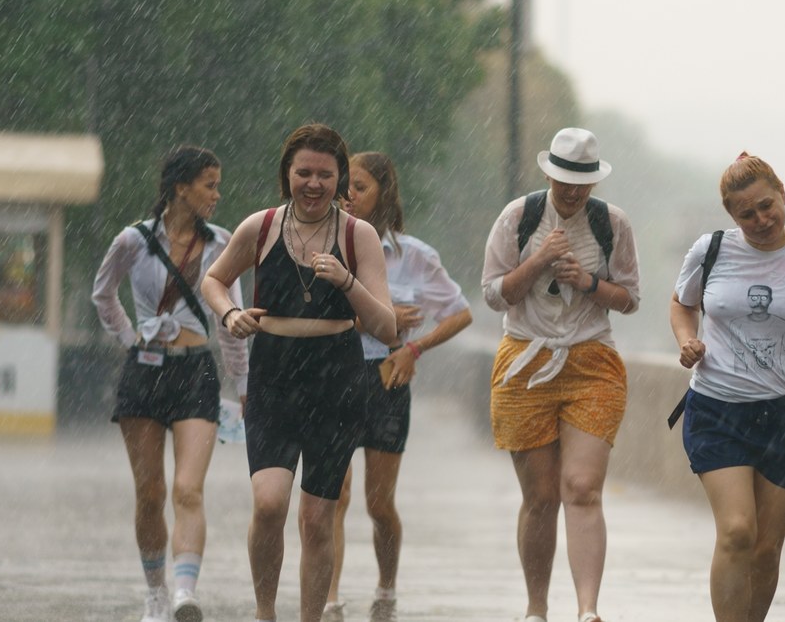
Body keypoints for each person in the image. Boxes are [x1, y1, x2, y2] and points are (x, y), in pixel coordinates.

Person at [199, 123, 397, 622]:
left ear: (340, 178)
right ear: (287, 175)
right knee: (268, 504)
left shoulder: (359, 235)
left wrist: (347, 280)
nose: (313, 184)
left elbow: (387, 327)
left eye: (325, 175)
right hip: (274, 375)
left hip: (336, 378)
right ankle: (265, 612)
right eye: (303, 173)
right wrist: (229, 315)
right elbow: (214, 280)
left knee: (316, 517)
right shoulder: (260, 228)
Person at [669, 152, 785, 622]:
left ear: (783, 194)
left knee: (766, 549)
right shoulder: (710, 250)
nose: (761, 219)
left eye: (766, 206)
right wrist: (688, 340)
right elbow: (681, 304)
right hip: (718, 407)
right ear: (731, 215)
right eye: (746, 214)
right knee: (736, 532)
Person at [481, 127, 641, 622]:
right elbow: (493, 293)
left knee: (582, 487)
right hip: (525, 359)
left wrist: (588, 282)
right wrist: (540, 262)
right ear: (549, 173)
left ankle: (588, 610)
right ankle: (536, 608)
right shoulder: (518, 217)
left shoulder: (612, 223)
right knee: (542, 497)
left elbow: (630, 298)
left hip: (592, 361)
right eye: (563, 180)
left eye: (582, 182)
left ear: (594, 181)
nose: (572, 191)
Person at [91, 145, 249, 622]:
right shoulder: (133, 241)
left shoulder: (223, 243)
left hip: (195, 371)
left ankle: (184, 593)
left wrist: (242, 387)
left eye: (218, 185)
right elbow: (103, 294)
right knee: (150, 493)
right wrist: (128, 337)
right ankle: (155, 590)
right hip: (144, 371)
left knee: (188, 490)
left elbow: (230, 319)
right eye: (209, 184)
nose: (217, 195)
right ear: (181, 187)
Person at [324, 151, 474, 622]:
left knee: (377, 502)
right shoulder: (322, 249)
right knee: (333, 493)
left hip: (387, 379)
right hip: (333, 376)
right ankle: (328, 597)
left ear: (384, 193)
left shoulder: (415, 256)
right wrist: (376, 315)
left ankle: (386, 586)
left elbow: (460, 313)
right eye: (344, 185)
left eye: (360, 187)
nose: (348, 195)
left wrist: (414, 347)